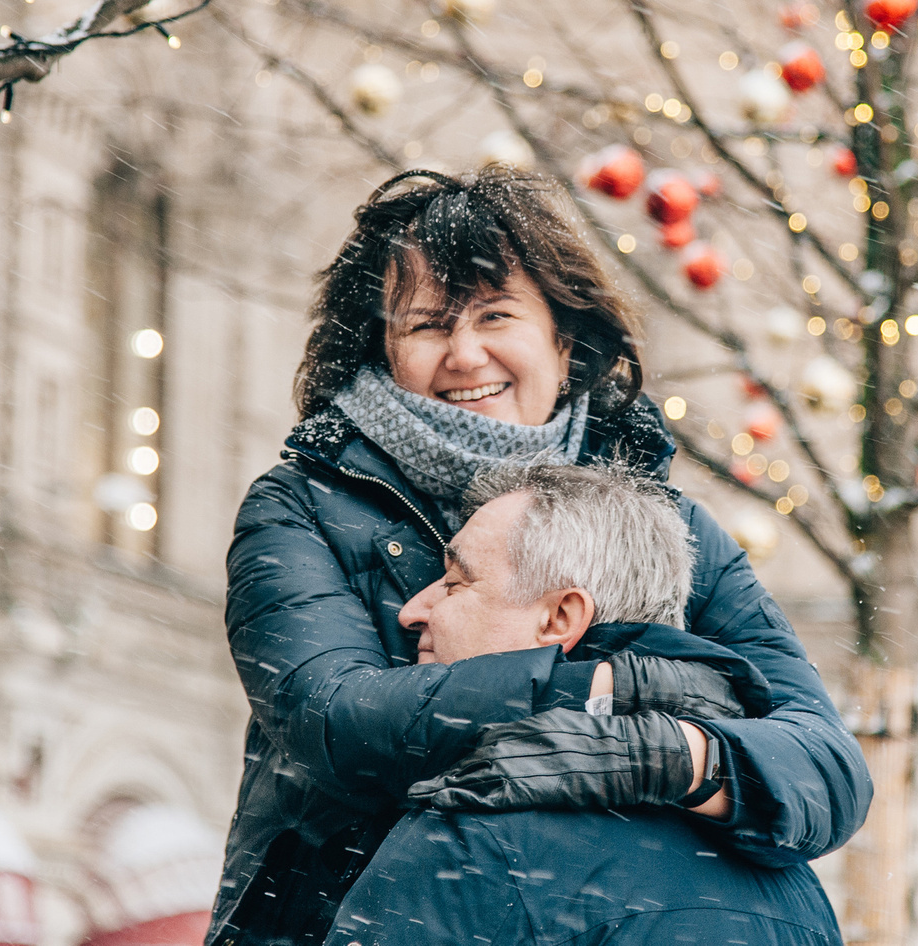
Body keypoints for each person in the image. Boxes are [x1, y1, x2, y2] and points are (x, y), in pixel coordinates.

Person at [214, 167, 870, 946]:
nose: (464, 354)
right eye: (426, 325)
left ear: (564, 340)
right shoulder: (304, 506)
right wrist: (607, 686)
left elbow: (826, 770)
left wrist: (659, 753)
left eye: (496, 315)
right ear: (381, 349)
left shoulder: (674, 529)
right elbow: (338, 724)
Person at [326, 463, 841, 946]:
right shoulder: (792, 882)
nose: (413, 611)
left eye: (456, 583)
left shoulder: (471, 834)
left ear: (559, 618)